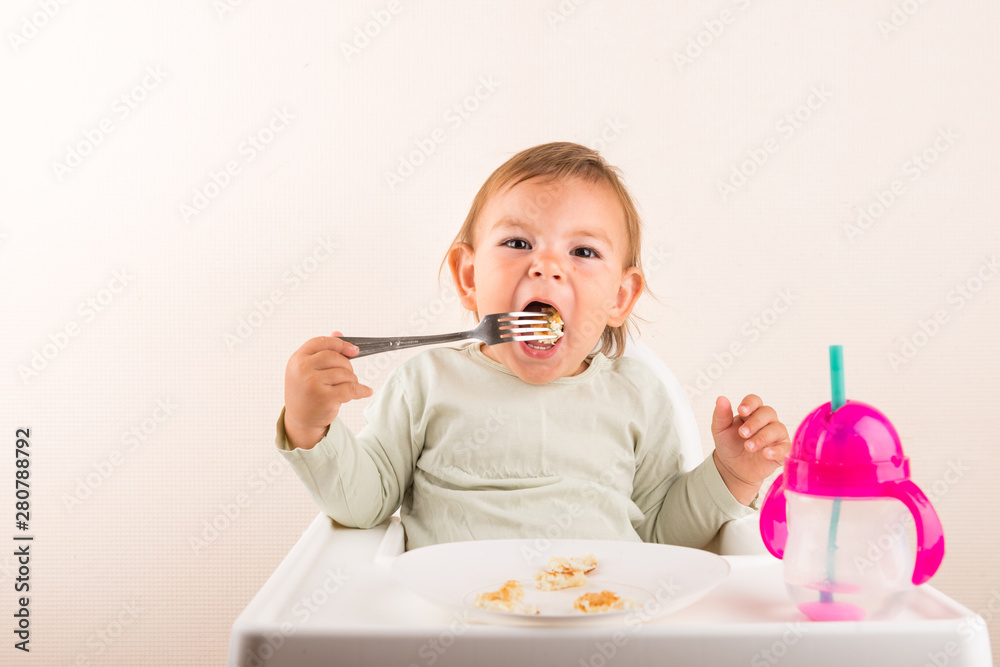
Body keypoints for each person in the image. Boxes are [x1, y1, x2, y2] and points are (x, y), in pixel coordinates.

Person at [276, 142, 791, 550]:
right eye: (518, 243)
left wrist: (731, 474)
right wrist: (310, 424)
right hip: (455, 624)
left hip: (594, 620)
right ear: (469, 276)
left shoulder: (636, 395)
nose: (546, 266)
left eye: (583, 251)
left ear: (619, 296)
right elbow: (362, 505)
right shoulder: (427, 383)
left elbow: (661, 535)